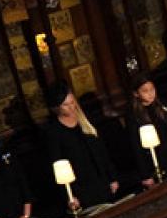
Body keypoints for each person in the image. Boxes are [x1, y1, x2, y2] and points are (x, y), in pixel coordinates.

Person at [42, 82, 119, 210]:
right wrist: (70, 195)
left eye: (72, 102)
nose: (71, 107)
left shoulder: (85, 120)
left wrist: (112, 177)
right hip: (80, 190)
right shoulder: (54, 133)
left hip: (102, 182)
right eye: (66, 105)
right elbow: (57, 165)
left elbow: (102, 152)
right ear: (56, 108)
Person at [127, 75, 167, 187]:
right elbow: (136, 146)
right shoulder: (133, 115)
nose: (150, 93)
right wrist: (145, 175)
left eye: (152, 89)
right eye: (145, 91)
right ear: (136, 94)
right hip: (154, 162)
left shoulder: (164, 105)